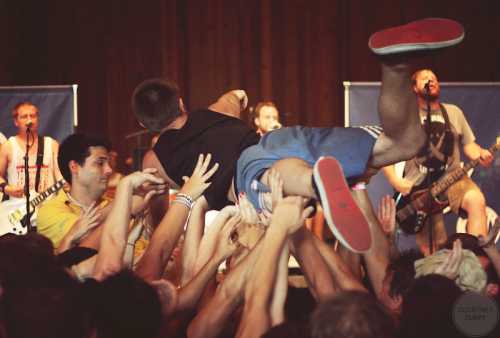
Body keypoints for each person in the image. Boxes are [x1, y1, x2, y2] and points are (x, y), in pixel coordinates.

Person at [132, 18, 465, 253]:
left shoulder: (155, 158)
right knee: (406, 143)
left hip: (247, 172)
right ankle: (395, 68)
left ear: (148, 126)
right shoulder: (216, 111)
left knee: (274, 173)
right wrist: (238, 100)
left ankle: (316, 183)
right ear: (180, 102)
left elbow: (148, 197)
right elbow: (238, 94)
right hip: (279, 138)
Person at [382, 69, 494, 253]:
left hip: (453, 179)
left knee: (475, 200)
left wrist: (481, 154)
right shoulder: (404, 118)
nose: (431, 80)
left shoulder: (454, 112)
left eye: (434, 78)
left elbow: (470, 147)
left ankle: (475, 260)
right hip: (420, 189)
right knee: (434, 248)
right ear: (414, 88)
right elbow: (385, 154)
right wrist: (396, 181)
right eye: (425, 78)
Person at [0, 102, 63, 199]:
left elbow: (60, 176)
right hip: (17, 209)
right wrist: (7, 188)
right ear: (16, 122)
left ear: (37, 119)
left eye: (33, 116)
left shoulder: (52, 145)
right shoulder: (8, 146)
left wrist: (66, 184)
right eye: (24, 117)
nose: (29, 120)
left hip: (48, 208)